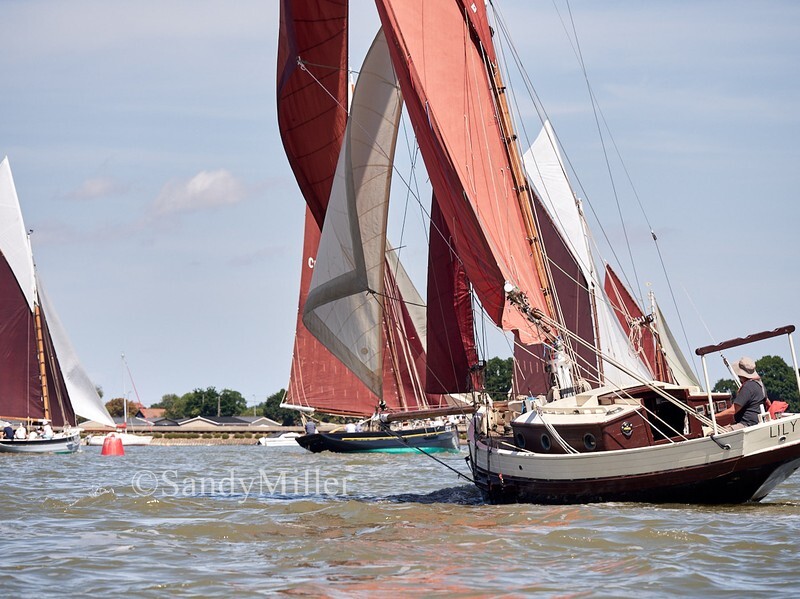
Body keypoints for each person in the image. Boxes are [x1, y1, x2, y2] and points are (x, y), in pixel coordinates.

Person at [717, 356, 767, 428]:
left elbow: (733, 410)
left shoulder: (747, 387)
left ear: (741, 375)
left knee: (711, 434)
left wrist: (714, 416)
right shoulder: (760, 385)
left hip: (746, 425)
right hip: (757, 423)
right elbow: (767, 402)